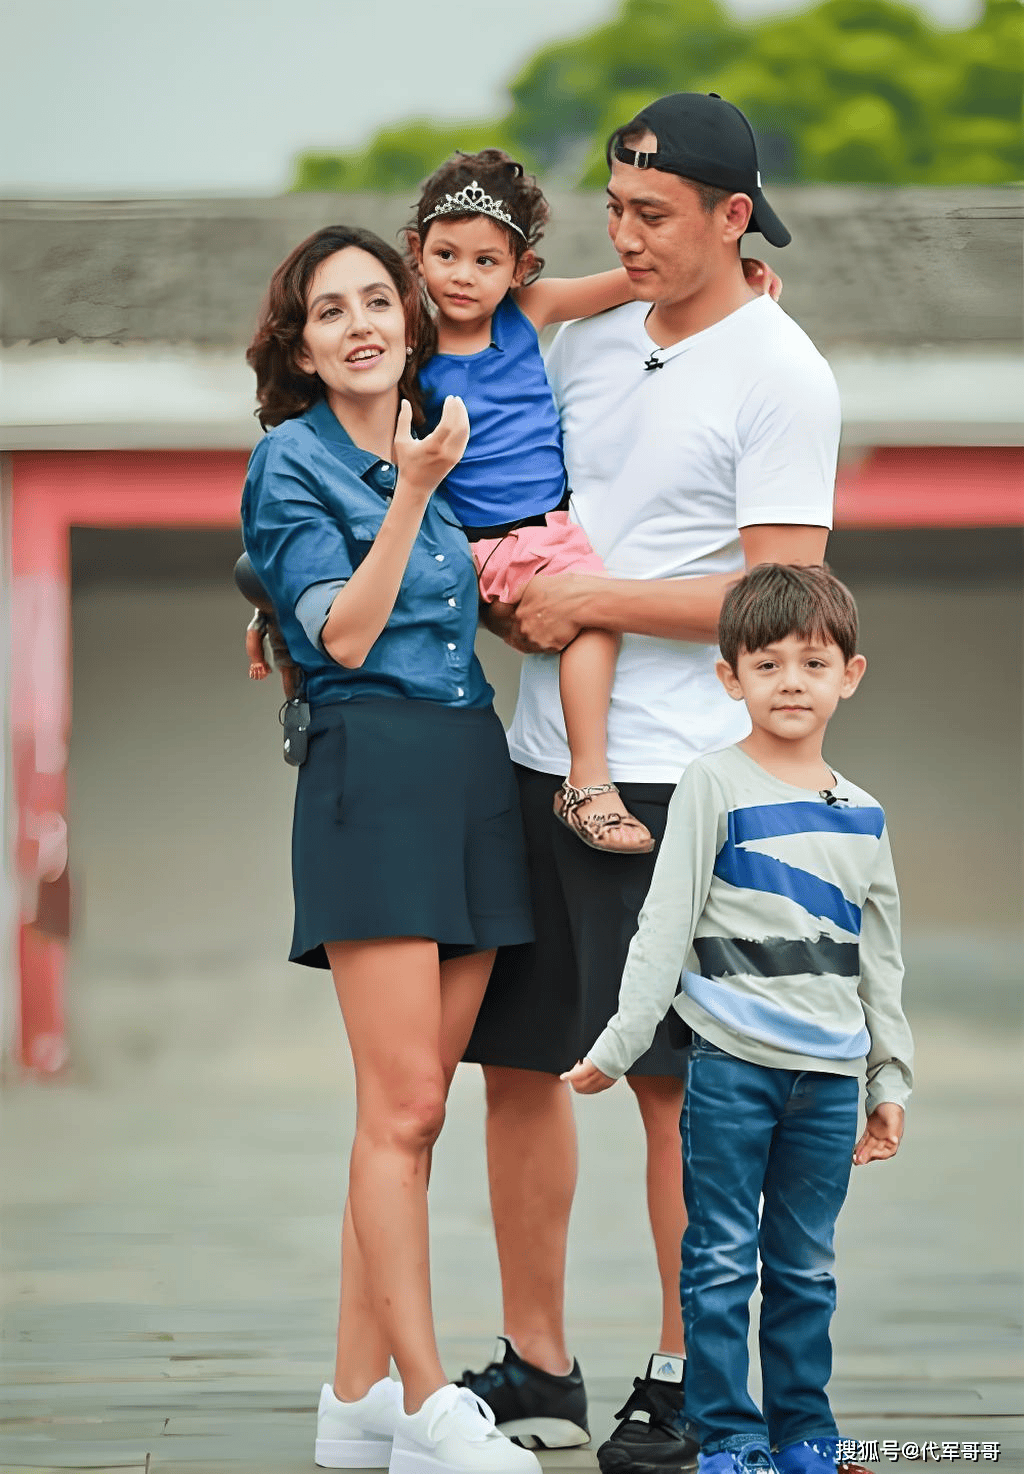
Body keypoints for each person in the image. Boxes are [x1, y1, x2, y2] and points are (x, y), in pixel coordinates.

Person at [459, 92, 842, 1474]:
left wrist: (593, 602)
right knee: (516, 1068)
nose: (622, 236)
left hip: (682, 783)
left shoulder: (782, 371)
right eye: (614, 209)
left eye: (653, 215)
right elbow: (521, 508)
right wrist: (513, 604)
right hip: (538, 759)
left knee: (680, 1093)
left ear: (734, 217)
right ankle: (538, 1362)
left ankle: (688, 1380)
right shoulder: (587, 336)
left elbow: (782, 591)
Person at [240, 223, 540, 1474]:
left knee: (411, 1115)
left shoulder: (448, 435)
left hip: (470, 763)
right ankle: (426, 1400)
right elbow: (346, 637)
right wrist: (411, 491)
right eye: (330, 310)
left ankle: (354, 1395)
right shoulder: (289, 462)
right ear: (301, 348)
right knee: (404, 1104)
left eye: (377, 299)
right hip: (370, 769)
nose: (359, 323)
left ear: (411, 322)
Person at [565, 562, 914, 1474]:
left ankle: (805, 1437)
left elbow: (879, 961)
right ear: (730, 678)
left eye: (813, 662)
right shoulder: (711, 784)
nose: (791, 681)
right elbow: (665, 922)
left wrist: (889, 1080)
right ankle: (729, 1439)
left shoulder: (865, 814)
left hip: (829, 1081)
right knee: (720, 1260)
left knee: (806, 1268)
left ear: (850, 675)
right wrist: (621, 1042)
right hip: (730, 1070)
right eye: (767, 664)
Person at [407, 148, 780, 855]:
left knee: (588, 609)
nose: (463, 275)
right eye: (445, 255)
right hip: (488, 537)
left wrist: (733, 280)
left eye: (486, 261)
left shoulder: (528, 313)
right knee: (596, 619)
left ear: (521, 268)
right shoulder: (410, 350)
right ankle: (588, 778)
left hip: (545, 530)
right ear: (416, 253)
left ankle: (578, 771)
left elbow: (634, 284)